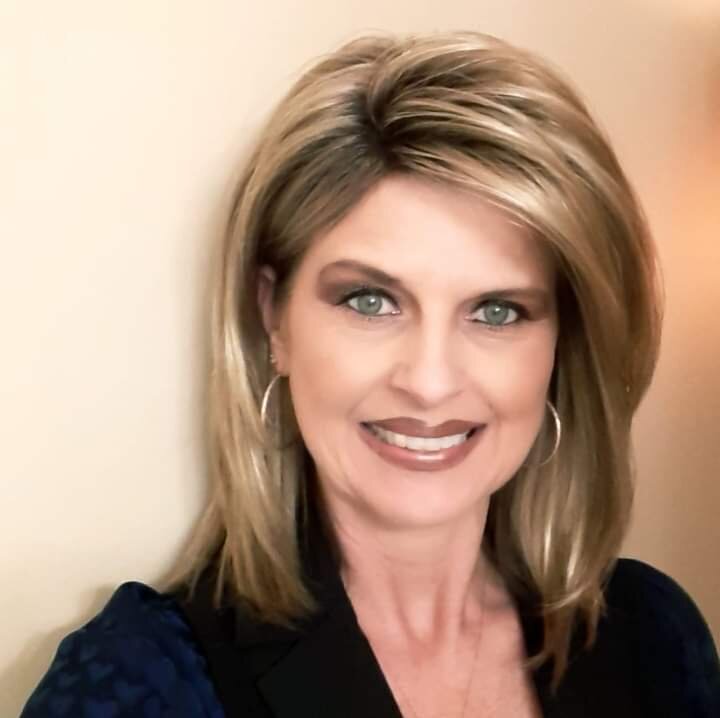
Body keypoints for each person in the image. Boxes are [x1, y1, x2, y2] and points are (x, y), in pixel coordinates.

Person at [20, 31, 720, 718]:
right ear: (273, 318)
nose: (430, 381)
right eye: (370, 300)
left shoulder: (652, 635)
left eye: (497, 311)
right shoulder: (143, 681)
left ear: (561, 345)